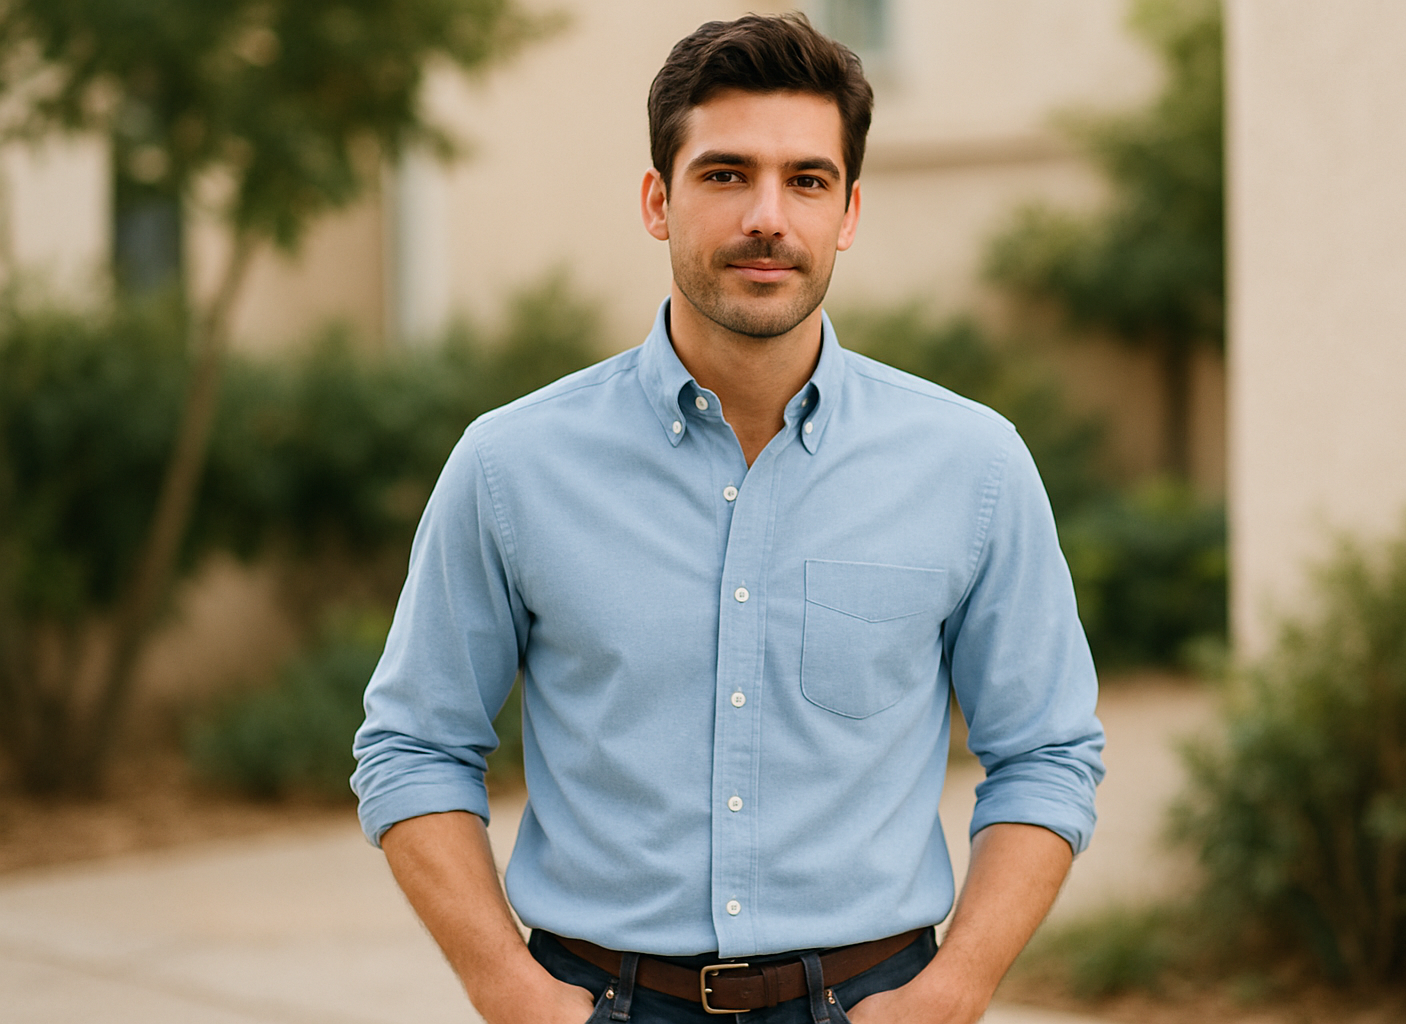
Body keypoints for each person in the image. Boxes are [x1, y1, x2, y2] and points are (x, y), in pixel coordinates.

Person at [352, 13, 1104, 1024]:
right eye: (724, 174)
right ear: (659, 200)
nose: (767, 216)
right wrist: (513, 993)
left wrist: (954, 991)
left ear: (848, 211)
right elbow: (413, 743)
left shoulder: (971, 465)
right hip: (598, 999)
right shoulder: (512, 465)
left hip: (871, 999)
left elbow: (1048, 751)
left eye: (806, 179)